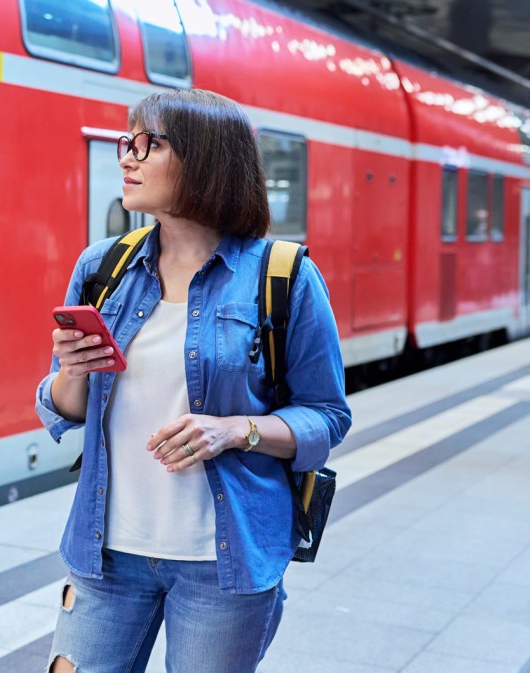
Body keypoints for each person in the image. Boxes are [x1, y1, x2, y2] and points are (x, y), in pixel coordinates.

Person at [35, 89, 351, 673]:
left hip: (223, 564)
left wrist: (234, 430)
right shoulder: (104, 267)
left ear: (206, 159)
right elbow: (63, 406)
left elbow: (327, 417)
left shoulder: (283, 276)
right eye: (125, 143)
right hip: (106, 553)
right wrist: (72, 372)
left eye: (147, 144)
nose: (126, 157)